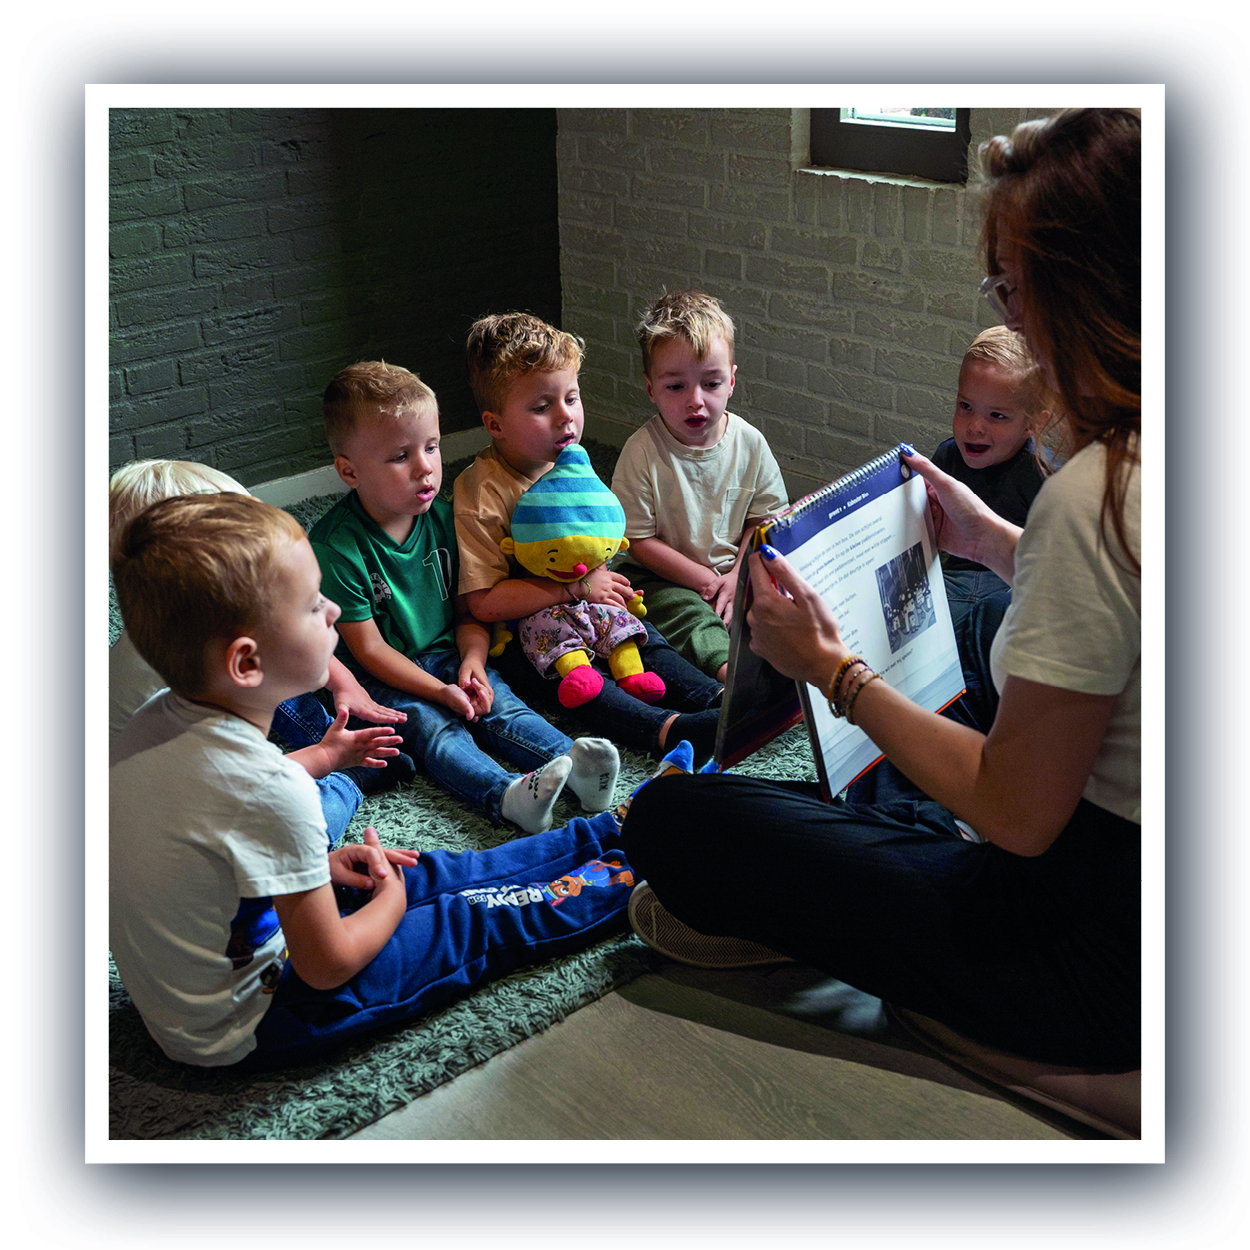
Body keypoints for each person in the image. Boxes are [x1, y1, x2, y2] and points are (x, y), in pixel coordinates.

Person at [620, 108, 1142, 1072]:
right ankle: (891, 828)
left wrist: (834, 671)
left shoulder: (1096, 496)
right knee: (971, 627)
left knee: (672, 821)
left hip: (1090, 953)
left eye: (1016, 289)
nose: (1013, 318)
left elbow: (1019, 817)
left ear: (1086, 292)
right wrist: (992, 539)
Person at [109, 491, 641, 1069]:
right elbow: (327, 964)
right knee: (464, 916)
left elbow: (215, 820)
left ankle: (602, 832)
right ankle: (643, 865)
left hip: (206, 974)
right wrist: (390, 899)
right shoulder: (273, 793)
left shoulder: (150, 723)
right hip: (261, 1017)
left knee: (425, 869)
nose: (333, 611)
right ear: (246, 663)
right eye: (312, 606)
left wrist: (319, 843)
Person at [309, 362, 621, 834]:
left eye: (432, 447)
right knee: (432, 727)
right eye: (401, 456)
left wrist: (473, 659)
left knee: (501, 702)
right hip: (382, 675)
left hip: (449, 651)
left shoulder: (444, 518)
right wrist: (439, 692)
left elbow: (466, 609)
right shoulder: (336, 547)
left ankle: (578, 768)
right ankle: (506, 795)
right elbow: (369, 649)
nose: (425, 467)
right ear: (349, 471)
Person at [452, 312, 726, 765]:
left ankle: (715, 697)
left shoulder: (571, 462)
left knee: (640, 633)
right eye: (542, 407)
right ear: (495, 424)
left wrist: (602, 586)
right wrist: (574, 589)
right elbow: (482, 603)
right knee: (581, 685)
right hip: (524, 631)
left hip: (585, 603)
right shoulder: (481, 493)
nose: (566, 417)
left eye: (572, 398)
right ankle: (664, 729)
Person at [108, 458, 414, 845]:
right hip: (177, 817)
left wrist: (343, 682)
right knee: (301, 823)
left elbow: (281, 640)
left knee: (274, 662)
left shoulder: (184, 627)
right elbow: (249, 783)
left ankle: (338, 738)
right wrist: (327, 758)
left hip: (205, 755)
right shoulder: (179, 696)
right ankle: (350, 779)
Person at [610, 290, 788, 682]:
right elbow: (637, 540)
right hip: (661, 576)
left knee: (787, 592)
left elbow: (764, 520)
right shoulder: (641, 451)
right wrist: (707, 582)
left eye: (711, 383)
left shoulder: (750, 443)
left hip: (736, 569)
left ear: (731, 381)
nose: (696, 400)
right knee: (681, 612)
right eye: (676, 387)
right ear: (651, 388)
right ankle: (730, 673)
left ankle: (796, 662)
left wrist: (737, 575)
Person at [930, 325, 1054, 625]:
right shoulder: (947, 457)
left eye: (996, 415)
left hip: (1010, 590)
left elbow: (1053, 570)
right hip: (953, 583)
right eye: (966, 406)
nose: (975, 427)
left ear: (1033, 424)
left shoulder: (1044, 476)